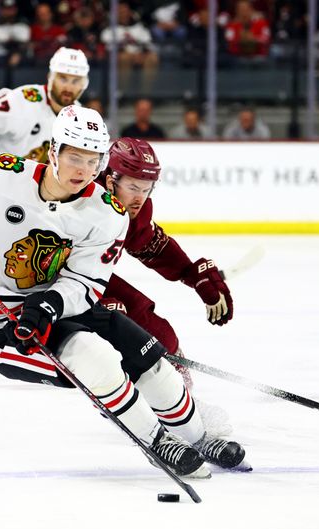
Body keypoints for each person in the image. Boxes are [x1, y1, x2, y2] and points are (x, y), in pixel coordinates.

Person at [0, 104, 249, 477]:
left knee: (148, 352)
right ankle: (155, 440)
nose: (83, 170)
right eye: (74, 157)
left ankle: (197, 436)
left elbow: (86, 282)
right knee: (96, 359)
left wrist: (50, 303)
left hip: (57, 306)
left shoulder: (107, 213)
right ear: (53, 151)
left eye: (92, 160)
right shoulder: (3, 173)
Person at [97, 137, 233, 396]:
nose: (140, 198)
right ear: (110, 180)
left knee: (162, 336)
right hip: (54, 283)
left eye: (147, 189)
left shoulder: (134, 210)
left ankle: (181, 401)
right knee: (114, 324)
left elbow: (151, 247)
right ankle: (120, 396)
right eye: (134, 187)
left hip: (93, 278)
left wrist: (193, 274)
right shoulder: (80, 199)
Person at [0, 46, 90, 165]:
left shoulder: (81, 118)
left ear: (84, 84)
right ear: (50, 76)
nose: (69, 87)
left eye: (76, 81)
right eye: (63, 78)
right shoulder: (22, 101)